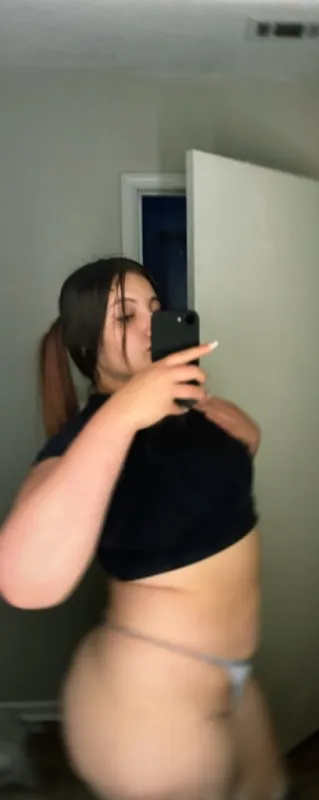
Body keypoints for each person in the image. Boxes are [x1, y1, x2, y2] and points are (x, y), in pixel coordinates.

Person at [0, 257, 296, 800]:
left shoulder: (188, 413)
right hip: (149, 704)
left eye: (155, 310)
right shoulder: (86, 441)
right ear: (88, 343)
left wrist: (235, 431)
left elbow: (218, 477)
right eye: (125, 316)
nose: (151, 326)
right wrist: (123, 411)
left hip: (234, 679)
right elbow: (24, 581)